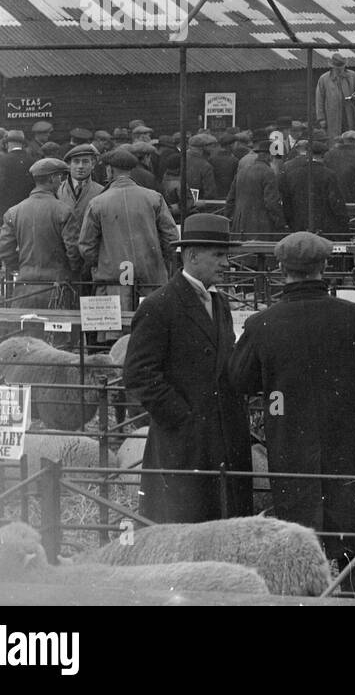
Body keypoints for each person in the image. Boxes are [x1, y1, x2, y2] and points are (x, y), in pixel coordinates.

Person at [229, 231, 355, 583]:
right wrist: (354, 401)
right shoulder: (354, 316)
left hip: (291, 442)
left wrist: (275, 389)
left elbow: (239, 378)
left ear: (280, 269)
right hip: (349, 440)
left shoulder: (262, 323)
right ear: (324, 267)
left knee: (299, 535)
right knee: (352, 531)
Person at [123, 214, 253, 523]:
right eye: (218, 255)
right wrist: (182, 417)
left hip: (220, 437)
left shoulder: (219, 303)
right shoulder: (159, 306)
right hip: (182, 444)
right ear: (192, 255)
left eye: (227, 256)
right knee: (185, 524)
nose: (226, 263)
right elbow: (138, 373)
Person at [79, 147, 179, 307]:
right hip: (152, 280)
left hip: (111, 281)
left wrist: (103, 264)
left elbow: (86, 246)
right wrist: (159, 261)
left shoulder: (97, 203)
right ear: (130, 171)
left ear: (110, 170)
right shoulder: (154, 198)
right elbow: (171, 238)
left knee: (113, 329)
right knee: (151, 325)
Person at [0, 158, 81, 309]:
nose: (61, 182)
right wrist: (70, 273)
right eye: (60, 177)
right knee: (57, 332)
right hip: (57, 290)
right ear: (52, 179)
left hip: (24, 289)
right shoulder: (64, 211)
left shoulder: (14, 212)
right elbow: (73, 252)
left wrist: (22, 267)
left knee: (23, 332)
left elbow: (3, 251)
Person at [280, 134, 350, 234]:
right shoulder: (329, 175)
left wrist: (290, 222)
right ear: (323, 155)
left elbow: (287, 201)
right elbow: (336, 203)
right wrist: (344, 221)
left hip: (298, 226)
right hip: (323, 228)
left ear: (308, 154)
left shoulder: (293, 174)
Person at [224, 139, 286, 240]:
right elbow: (271, 202)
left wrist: (228, 218)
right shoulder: (268, 172)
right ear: (270, 156)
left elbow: (230, 199)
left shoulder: (242, 171)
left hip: (239, 224)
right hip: (260, 226)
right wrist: (280, 222)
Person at [0, 130, 35, 224]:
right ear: (22, 144)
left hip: (6, 211)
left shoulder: (2, 160)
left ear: (7, 144)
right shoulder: (32, 160)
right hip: (27, 211)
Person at [315, 51, 355, 141]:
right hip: (332, 116)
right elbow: (319, 100)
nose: (339, 70)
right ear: (333, 67)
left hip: (349, 114)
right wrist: (321, 119)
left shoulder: (352, 76)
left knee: (350, 137)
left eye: (341, 68)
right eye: (337, 68)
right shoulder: (324, 79)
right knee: (334, 139)